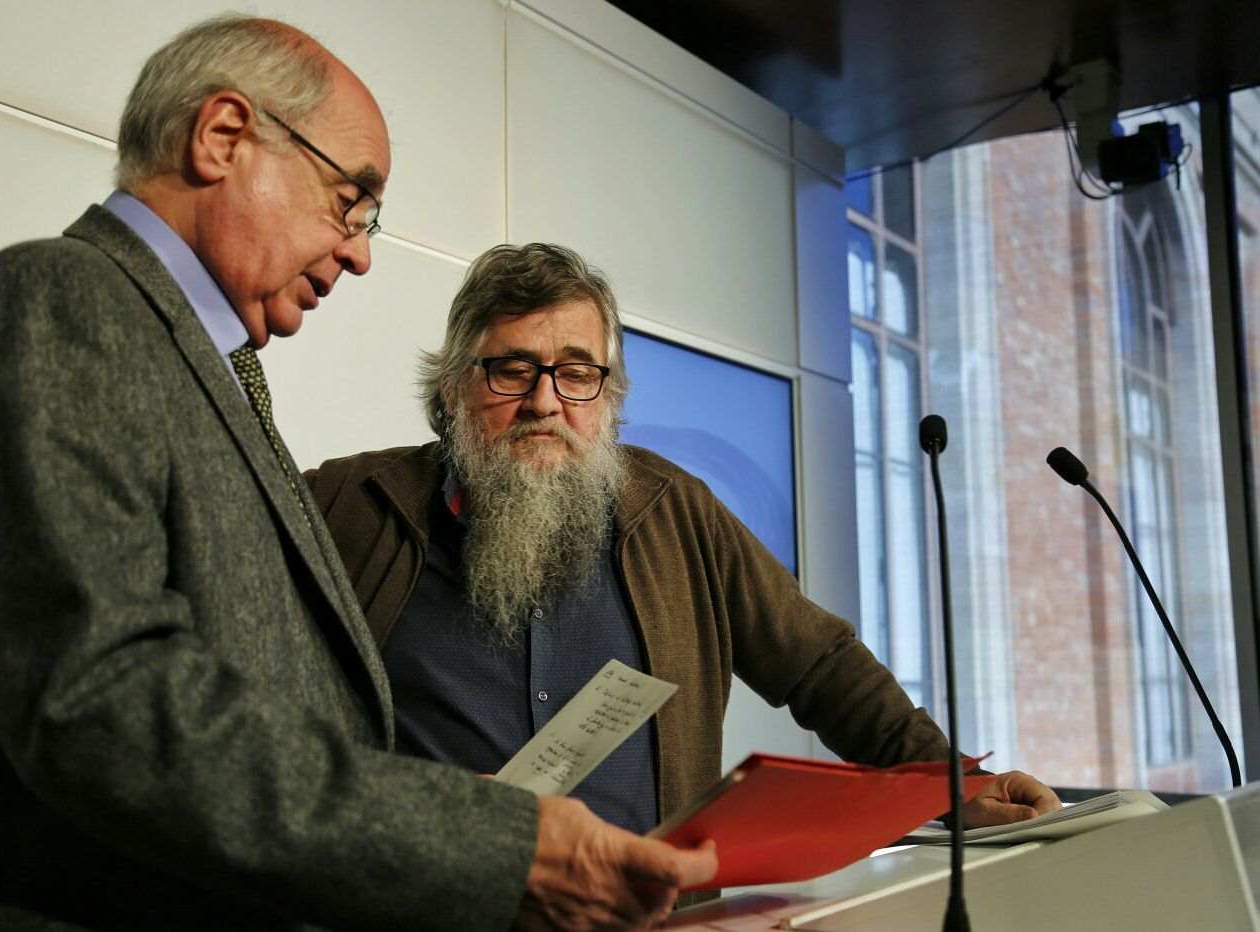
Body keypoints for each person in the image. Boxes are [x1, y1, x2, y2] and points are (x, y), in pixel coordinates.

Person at [0, 19, 714, 931]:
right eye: (351, 200)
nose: (360, 251)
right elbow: (104, 703)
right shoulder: (58, 303)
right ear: (223, 136)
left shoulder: (194, 361)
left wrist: (438, 822)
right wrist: (494, 845)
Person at [305, 243, 1062, 845]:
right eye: (512, 371)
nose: (545, 402)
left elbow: (822, 665)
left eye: (576, 374)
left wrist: (952, 786)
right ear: (452, 388)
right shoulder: (347, 509)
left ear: (608, 398)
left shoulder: (676, 513)